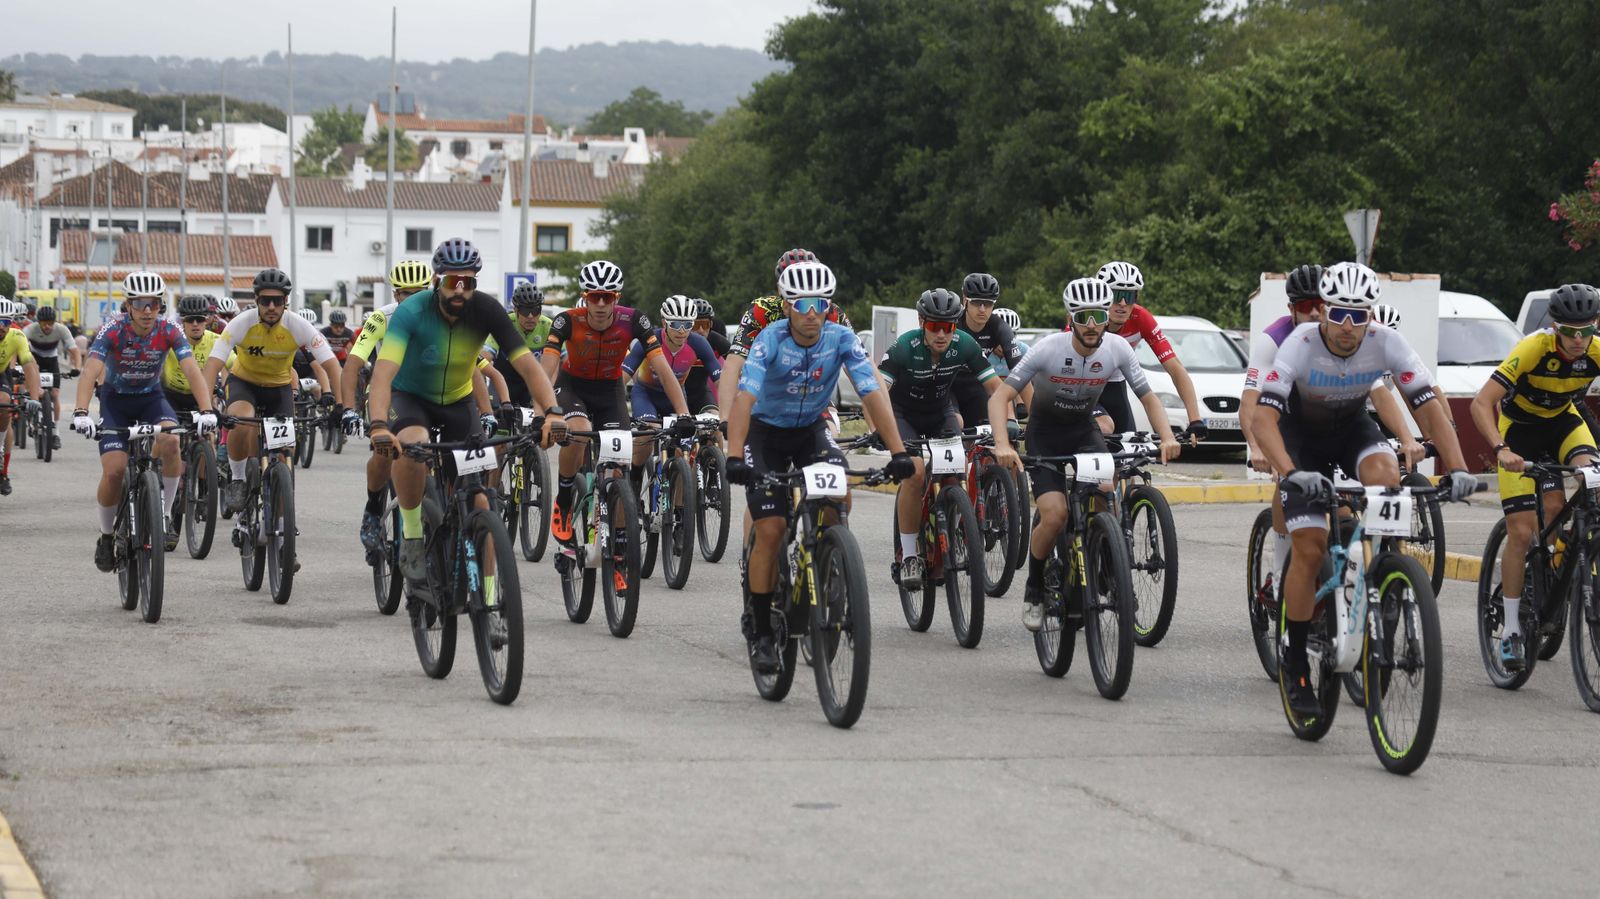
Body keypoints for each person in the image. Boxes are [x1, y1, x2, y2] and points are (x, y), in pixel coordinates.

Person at [1253, 262, 1477, 714]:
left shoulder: (1387, 343)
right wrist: (1289, 471)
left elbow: (1429, 405)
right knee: (1311, 548)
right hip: (1301, 438)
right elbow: (1263, 417)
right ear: (1322, 312)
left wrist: (1456, 467)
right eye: (1339, 314)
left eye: (1359, 315)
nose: (1348, 326)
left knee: (1387, 477)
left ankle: (1383, 574)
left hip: (1351, 429)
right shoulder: (1299, 343)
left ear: (1371, 315)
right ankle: (1295, 664)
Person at [724, 260, 913, 673]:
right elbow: (744, 399)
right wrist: (735, 454)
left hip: (810, 428)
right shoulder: (769, 340)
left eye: (821, 302)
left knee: (839, 490)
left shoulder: (842, 337)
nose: (813, 311)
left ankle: (828, 560)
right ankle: (759, 629)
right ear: (788, 305)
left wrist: (898, 453)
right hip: (766, 434)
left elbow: (872, 391)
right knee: (770, 529)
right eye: (803, 303)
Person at [364, 238, 563, 583]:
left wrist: (554, 411)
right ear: (435, 281)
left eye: (467, 282)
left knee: (479, 501)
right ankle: (411, 535)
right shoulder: (412, 311)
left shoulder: (486, 310)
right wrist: (379, 424)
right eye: (450, 281)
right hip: (410, 397)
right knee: (412, 446)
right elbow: (383, 372)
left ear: (475, 283)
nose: (459, 289)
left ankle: (488, 596)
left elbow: (529, 367)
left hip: (458, 402)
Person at [989, 277, 1183, 630]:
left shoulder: (1117, 349)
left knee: (1107, 491)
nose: (1091, 325)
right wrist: (1003, 444)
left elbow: (1148, 397)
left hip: (1083, 431)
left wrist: (1166, 436)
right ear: (1071, 318)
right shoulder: (1048, 349)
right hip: (1045, 435)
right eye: (1083, 317)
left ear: (1107, 314)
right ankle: (1034, 586)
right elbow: (999, 397)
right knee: (1054, 515)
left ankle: (1105, 565)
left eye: (1097, 315)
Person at [1240, 264, 1424, 585]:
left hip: (1339, 422)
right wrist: (1257, 447)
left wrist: (1407, 438)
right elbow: (1250, 402)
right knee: (1288, 481)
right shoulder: (1275, 340)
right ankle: (1280, 574)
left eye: (1318, 305)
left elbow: (1380, 394)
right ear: (1290, 310)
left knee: (1343, 511)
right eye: (1303, 307)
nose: (1312, 314)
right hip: (1286, 419)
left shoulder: (1344, 335)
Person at [1469, 282, 1600, 672]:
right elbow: (1481, 403)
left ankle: (1567, 562)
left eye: (1587, 330)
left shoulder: (1595, 348)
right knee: (1522, 532)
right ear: (1556, 327)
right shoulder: (1532, 348)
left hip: (1563, 424)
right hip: (1519, 432)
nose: (1578, 340)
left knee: (1584, 488)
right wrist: (1499, 450)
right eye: (1570, 332)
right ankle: (1510, 629)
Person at [542, 260, 693, 553]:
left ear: (617, 298)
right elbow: (545, 371)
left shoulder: (634, 320)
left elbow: (661, 368)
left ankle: (621, 544)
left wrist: (683, 413)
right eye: (593, 296)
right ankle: (562, 499)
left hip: (610, 391)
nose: (600, 303)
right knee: (580, 430)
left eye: (607, 297)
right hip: (572, 387)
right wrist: (543, 414)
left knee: (620, 464)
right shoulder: (566, 320)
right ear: (584, 296)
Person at [71, 272, 217, 562]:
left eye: (153, 303)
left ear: (160, 304)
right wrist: (81, 412)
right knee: (113, 471)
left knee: (171, 441)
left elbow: (191, 369)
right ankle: (107, 534)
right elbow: (89, 371)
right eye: (140, 304)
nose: (147, 310)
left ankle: (163, 514)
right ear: (128, 306)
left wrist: (207, 410)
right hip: (116, 402)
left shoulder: (169, 330)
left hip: (152, 399)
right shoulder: (112, 330)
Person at [879, 287, 1002, 590]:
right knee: (915, 472)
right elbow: (876, 392)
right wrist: (878, 430)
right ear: (922, 322)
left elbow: (996, 388)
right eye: (935, 326)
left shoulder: (964, 345)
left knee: (954, 470)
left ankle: (953, 532)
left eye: (948, 326)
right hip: (903, 414)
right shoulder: (904, 348)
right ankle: (908, 555)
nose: (942, 334)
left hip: (940, 413)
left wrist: (1006, 424)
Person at [202, 269, 341, 516]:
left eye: (278, 300)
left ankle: (281, 528)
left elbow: (331, 364)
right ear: (256, 300)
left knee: (286, 452)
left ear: (286, 301)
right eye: (265, 300)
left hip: (279, 388)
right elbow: (213, 364)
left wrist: (340, 404)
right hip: (245, 384)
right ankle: (237, 479)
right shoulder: (240, 324)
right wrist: (207, 408)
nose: (272, 306)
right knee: (241, 422)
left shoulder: (297, 325)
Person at [718, 248, 857, 423]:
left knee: (830, 430)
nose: (802, 289)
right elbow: (733, 364)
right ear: (780, 287)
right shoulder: (762, 311)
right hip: (767, 394)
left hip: (811, 394)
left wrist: (876, 426)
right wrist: (724, 417)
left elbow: (859, 371)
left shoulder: (831, 312)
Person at [1093, 261, 1206, 441]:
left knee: (1125, 453)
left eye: (1129, 297)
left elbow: (1175, 368)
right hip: (1082, 385)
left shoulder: (1141, 318)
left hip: (1115, 383)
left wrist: (1195, 419)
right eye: (1116, 295)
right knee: (1105, 428)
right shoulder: (1085, 318)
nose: (1122, 303)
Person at [949, 273, 1027, 429]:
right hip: (947, 385)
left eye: (989, 303)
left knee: (987, 435)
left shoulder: (999, 327)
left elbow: (1020, 375)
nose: (982, 309)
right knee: (955, 425)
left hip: (978, 384)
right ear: (965, 300)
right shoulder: (953, 323)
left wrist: (1014, 418)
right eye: (977, 302)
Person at [485, 281, 553, 408]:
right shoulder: (504, 322)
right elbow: (485, 356)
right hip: (505, 380)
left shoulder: (548, 326)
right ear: (515, 310)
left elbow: (563, 361)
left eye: (535, 310)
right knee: (497, 414)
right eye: (525, 311)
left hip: (532, 380)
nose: (531, 316)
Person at [0, 299, 43, 496]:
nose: (2, 327)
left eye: (6, 323)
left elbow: (29, 366)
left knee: (4, 405)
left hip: (1, 374)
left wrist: (34, 397)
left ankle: (1, 459)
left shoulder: (16, 336)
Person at [22, 304, 81, 446]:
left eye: (50, 323)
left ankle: (56, 433)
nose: (47, 326)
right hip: (35, 358)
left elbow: (75, 351)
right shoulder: (30, 329)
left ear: (55, 322)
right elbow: (20, 345)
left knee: (54, 395)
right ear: (38, 322)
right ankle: (32, 419)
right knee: (34, 390)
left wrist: (77, 368)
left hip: (52, 360)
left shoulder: (62, 329)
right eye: (43, 323)